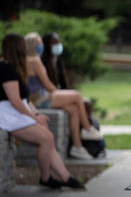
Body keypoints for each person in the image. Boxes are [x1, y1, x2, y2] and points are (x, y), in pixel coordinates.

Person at [0, 34, 85, 190]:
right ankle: (46, 178)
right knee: (46, 138)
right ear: (17, 48)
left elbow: (25, 100)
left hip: (17, 113)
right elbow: (15, 100)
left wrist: (37, 115)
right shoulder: (5, 69)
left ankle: (65, 177)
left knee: (47, 138)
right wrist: (33, 117)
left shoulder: (13, 68)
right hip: (8, 116)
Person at [24, 32, 102, 160]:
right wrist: (58, 92)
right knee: (77, 96)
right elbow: (48, 85)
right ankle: (88, 129)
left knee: (74, 109)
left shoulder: (29, 58)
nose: (40, 46)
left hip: (38, 97)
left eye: (41, 43)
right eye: (37, 43)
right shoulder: (34, 60)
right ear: (30, 45)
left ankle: (77, 147)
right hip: (38, 99)